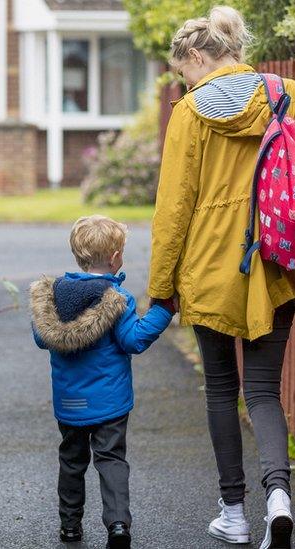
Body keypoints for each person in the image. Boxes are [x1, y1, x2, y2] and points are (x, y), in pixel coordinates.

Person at [148, 6, 295, 549]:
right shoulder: (288, 94)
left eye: (185, 74)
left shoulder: (189, 115)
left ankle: (234, 514)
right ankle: (280, 498)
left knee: (221, 391)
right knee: (264, 391)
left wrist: (162, 287)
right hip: (274, 260)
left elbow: (173, 209)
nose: (186, 84)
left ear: (198, 58)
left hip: (210, 270)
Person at [30, 215, 176, 549]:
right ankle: (119, 526)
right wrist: (163, 311)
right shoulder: (117, 299)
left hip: (68, 404)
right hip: (110, 403)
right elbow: (133, 341)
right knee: (110, 460)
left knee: (71, 461)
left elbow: (42, 338)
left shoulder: (54, 297)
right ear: (114, 258)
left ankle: (70, 526)